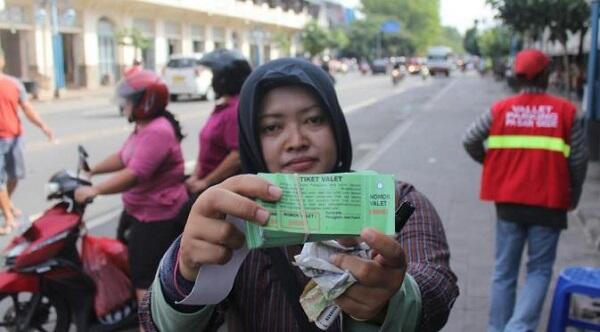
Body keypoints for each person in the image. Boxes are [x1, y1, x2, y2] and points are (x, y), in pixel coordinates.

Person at [139, 58, 459, 331]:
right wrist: (186, 272)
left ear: (336, 125)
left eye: (314, 120)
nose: (296, 140)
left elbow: (437, 285)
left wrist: (392, 299)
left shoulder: (397, 200)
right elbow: (156, 323)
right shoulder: (231, 219)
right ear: (252, 140)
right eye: (272, 128)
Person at [463, 49, 588, 332]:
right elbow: (579, 160)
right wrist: (574, 194)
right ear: (545, 76)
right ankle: (518, 328)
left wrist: (496, 166)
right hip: (550, 201)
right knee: (539, 270)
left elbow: (470, 139)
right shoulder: (566, 112)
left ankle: (499, 328)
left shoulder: (500, 109)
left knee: (503, 271)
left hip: (509, 201)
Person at [74, 70, 189, 316]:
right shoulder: (143, 126)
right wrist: (92, 171)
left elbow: (136, 173)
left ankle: (149, 322)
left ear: (145, 102)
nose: (123, 105)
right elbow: (122, 156)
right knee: (133, 265)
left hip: (157, 216)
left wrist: (96, 190)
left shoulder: (158, 131)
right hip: (138, 209)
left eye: (128, 100)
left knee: (144, 277)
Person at [0, 47, 54, 234]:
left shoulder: (14, 84)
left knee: (15, 176)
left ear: (2, 61)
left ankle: (6, 203)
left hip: (15, 138)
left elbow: (27, 108)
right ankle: (8, 217)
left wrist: (43, 126)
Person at [185, 50, 252, 195]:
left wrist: (206, 182)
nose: (212, 81)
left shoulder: (235, 110)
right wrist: (196, 175)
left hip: (220, 191)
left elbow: (236, 157)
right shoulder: (223, 107)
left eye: (215, 76)